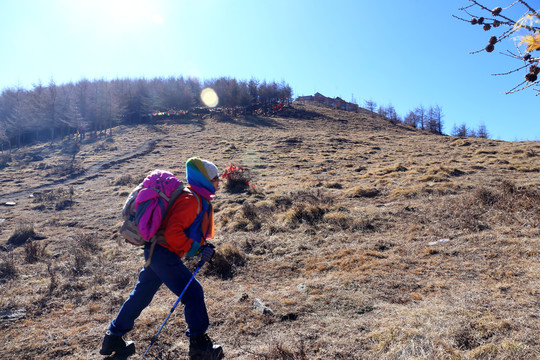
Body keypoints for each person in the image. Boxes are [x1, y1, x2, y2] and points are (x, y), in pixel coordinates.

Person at [100, 157, 224, 359]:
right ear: (204, 179)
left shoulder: (192, 197)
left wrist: (199, 247)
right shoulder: (191, 200)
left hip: (155, 252)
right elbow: (174, 233)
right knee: (193, 293)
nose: (218, 182)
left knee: (141, 295)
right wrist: (195, 250)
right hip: (163, 254)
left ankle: (113, 337)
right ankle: (200, 346)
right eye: (215, 178)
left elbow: (177, 231)